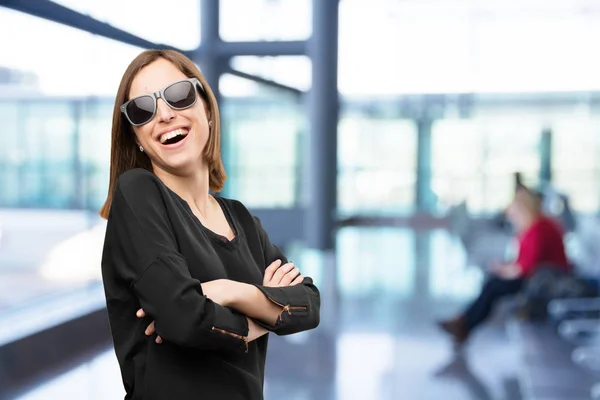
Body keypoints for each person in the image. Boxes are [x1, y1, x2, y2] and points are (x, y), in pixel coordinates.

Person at [99, 49, 320, 400]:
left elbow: (308, 305)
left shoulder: (241, 218)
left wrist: (231, 291)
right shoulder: (138, 194)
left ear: (208, 109)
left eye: (179, 95)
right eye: (143, 110)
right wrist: (268, 312)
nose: (166, 115)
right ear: (136, 138)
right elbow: (184, 319)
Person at [438, 187, 569, 345]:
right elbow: (525, 261)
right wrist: (505, 267)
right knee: (493, 283)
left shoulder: (539, 228)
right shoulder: (533, 226)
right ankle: (464, 322)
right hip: (539, 276)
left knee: (494, 285)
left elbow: (527, 268)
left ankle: (464, 323)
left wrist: (505, 270)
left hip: (546, 280)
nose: (512, 215)